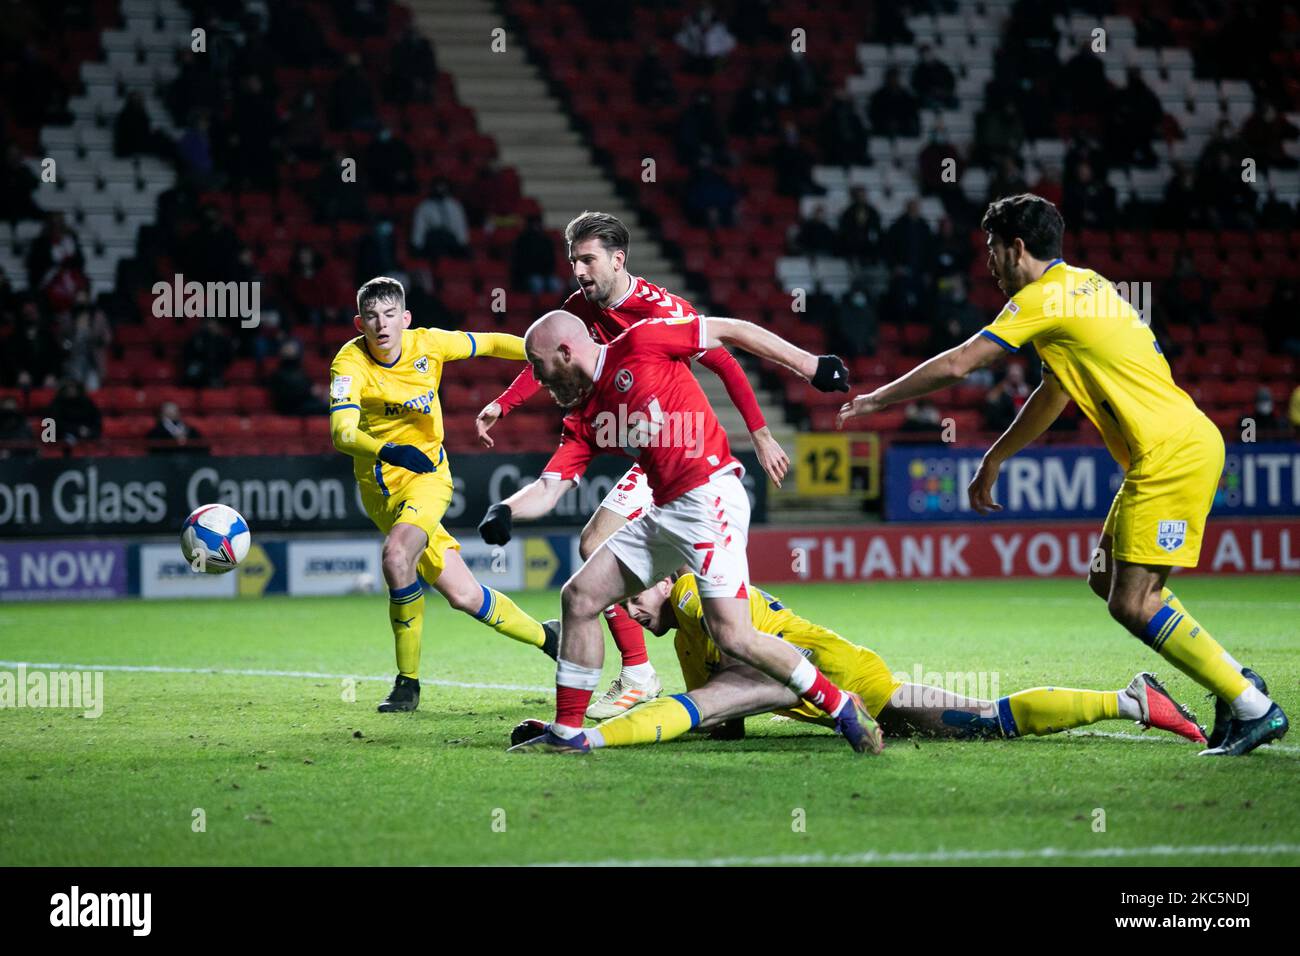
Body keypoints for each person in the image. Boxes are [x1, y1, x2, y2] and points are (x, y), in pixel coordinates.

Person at [837, 193, 1289, 756]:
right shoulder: (1087, 284)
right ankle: (1237, 683)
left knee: (1134, 601)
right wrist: (996, 456)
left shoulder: (1043, 297)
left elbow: (959, 363)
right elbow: (1053, 393)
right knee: (1108, 580)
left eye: (991, 249)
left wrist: (879, 398)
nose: (988, 264)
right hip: (1174, 446)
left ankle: (1254, 707)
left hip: (1170, 453)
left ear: (1017, 248)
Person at [476, 310, 866, 755]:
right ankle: (567, 735)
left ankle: (840, 707)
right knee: (579, 596)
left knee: (733, 636)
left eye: (539, 366)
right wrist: (506, 509)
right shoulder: (585, 415)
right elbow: (550, 488)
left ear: (565, 352)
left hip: (709, 498)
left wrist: (811, 366)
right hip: (663, 512)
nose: (541, 381)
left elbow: (732, 330)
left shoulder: (643, 341)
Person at [475, 211, 789, 720]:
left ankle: (678, 669)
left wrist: (760, 431)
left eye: (587, 259)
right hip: (643, 446)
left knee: (604, 546)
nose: (577, 271)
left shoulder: (658, 309)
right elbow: (553, 359)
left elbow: (725, 359)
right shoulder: (580, 306)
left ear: (618, 259)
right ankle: (698, 668)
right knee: (609, 550)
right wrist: (504, 403)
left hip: (680, 446)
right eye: (573, 260)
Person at [511, 573, 1208, 750]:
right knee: (981, 725)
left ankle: (580, 742)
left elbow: (715, 703)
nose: (628, 611)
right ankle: (1130, 700)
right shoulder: (687, 632)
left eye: (634, 596)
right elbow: (711, 720)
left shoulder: (696, 593)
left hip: (850, 679)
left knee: (982, 724)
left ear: (664, 580)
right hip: (828, 688)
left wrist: (581, 731)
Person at [329, 277, 559, 713]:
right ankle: (550, 637)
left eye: (391, 315)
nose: (382, 324)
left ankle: (407, 684)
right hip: (380, 492)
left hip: (429, 479)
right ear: (360, 323)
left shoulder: (429, 344)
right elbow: (341, 432)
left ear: (406, 318)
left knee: (397, 556)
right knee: (465, 596)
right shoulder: (349, 362)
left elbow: (490, 342)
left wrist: (538, 352)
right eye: (373, 317)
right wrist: (388, 450)